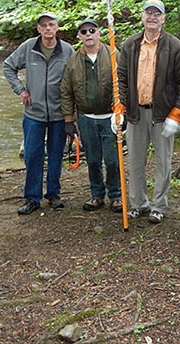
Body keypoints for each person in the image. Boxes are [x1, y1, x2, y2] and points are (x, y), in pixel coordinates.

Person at [117, 0, 180, 224]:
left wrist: (177, 114)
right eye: (149, 13)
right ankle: (138, 203)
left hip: (163, 114)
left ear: (164, 18)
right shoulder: (129, 45)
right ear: (142, 16)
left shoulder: (175, 46)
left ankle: (159, 205)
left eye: (157, 14)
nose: (152, 17)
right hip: (135, 113)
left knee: (163, 162)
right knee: (135, 161)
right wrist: (119, 107)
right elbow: (121, 79)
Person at [3, 12, 74, 215]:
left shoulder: (67, 50)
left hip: (59, 114)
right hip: (34, 114)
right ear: (39, 29)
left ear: (57, 27)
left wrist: (73, 114)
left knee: (56, 155)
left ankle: (53, 194)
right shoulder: (29, 47)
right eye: (44, 25)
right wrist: (20, 90)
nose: (48, 29)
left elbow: (76, 78)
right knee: (33, 156)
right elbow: (8, 66)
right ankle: (32, 198)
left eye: (51, 24)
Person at [60, 18, 122, 213]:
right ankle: (97, 195)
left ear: (99, 33)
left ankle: (116, 195)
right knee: (93, 160)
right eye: (84, 32)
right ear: (79, 36)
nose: (88, 34)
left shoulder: (113, 54)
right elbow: (66, 91)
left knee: (112, 160)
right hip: (86, 119)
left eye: (91, 30)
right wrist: (69, 120)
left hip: (110, 118)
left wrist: (123, 113)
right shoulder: (73, 61)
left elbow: (124, 84)